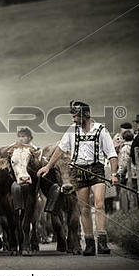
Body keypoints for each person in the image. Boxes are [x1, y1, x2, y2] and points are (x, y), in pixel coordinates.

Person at [37, 101, 118, 256]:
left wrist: (114, 174)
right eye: (73, 116)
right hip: (78, 171)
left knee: (99, 204)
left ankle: (102, 242)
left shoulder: (101, 130)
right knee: (84, 208)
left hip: (96, 170)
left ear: (86, 115)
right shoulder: (71, 131)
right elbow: (60, 149)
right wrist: (48, 167)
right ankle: (89, 244)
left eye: (76, 116)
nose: (73, 119)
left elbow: (112, 153)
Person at [117, 130, 138, 209]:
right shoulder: (136, 145)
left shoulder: (125, 148)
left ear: (123, 138)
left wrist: (119, 173)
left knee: (131, 192)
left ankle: (133, 209)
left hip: (130, 173)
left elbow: (124, 162)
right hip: (138, 171)